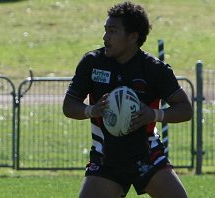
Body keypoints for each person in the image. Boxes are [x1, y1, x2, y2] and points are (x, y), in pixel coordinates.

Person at [63, 1, 193, 197]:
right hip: (106, 158)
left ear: (132, 37)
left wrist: (153, 114)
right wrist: (92, 110)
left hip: (147, 156)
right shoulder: (92, 63)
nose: (105, 37)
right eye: (105, 30)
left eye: (112, 31)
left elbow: (185, 109)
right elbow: (69, 106)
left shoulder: (154, 69)